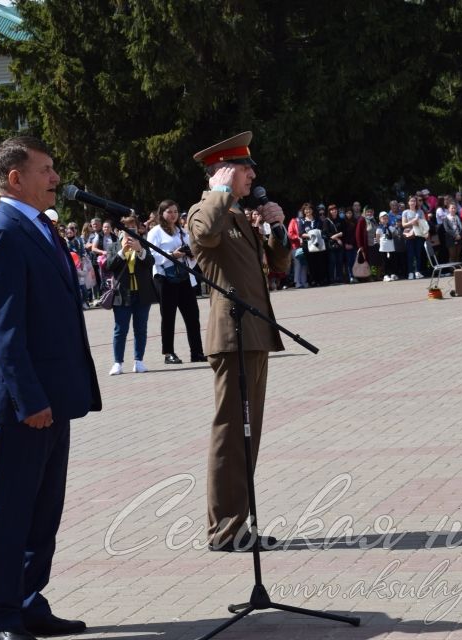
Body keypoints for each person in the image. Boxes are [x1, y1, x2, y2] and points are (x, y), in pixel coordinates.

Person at [0, 136, 101, 640]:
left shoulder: (41, 229)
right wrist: (30, 401)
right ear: (15, 178)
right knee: (8, 516)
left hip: (51, 399)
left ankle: (27, 601)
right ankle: (0, 618)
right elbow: (2, 330)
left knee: (43, 512)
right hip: (19, 406)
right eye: (45, 170)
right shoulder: (2, 233)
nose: (55, 178)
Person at [186, 131, 290, 552]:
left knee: (249, 434)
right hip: (231, 338)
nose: (253, 176)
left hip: (253, 336)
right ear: (225, 172)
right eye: (245, 169)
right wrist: (219, 191)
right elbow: (203, 236)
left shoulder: (238, 217)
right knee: (232, 433)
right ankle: (224, 530)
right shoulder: (206, 211)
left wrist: (277, 229)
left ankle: (239, 525)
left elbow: (277, 266)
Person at [147, 199, 205, 365]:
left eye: (175, 211)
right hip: (165, 278)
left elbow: (191, 253)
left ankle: (197, 352)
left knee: (193, 315)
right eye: (169, 212)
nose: (172, 215)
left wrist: (190, 255)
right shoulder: (155, 232)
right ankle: (168, 353)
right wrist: (172, 255)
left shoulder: (182, 231)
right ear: (162, 214)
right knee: (168, 316)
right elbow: (153, 256)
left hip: (184, 277)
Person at [107, 215, 156, 375]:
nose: (129, 232)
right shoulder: (114, 246)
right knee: (120, 329)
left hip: (142, 293)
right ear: (118, 231)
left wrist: (139, 250)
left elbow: (150, 263)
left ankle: (138, 361)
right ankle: (117, 363)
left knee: (140, 329)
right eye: (125, 228)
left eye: (132, 228)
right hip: (122, 294)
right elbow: (110, 265)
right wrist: (122, 251)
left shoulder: (143, 245)